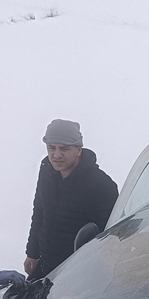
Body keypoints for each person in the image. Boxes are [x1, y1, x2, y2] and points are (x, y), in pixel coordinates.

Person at [24, 119, 119, 279]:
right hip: (46, 262)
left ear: (78, 150)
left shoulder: (102, 185)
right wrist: (32, 252)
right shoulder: (47, 170)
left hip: (78, 272)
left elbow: (107, 236)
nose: (56, 155)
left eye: (64, 148)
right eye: (51, 148)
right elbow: (39, 211)